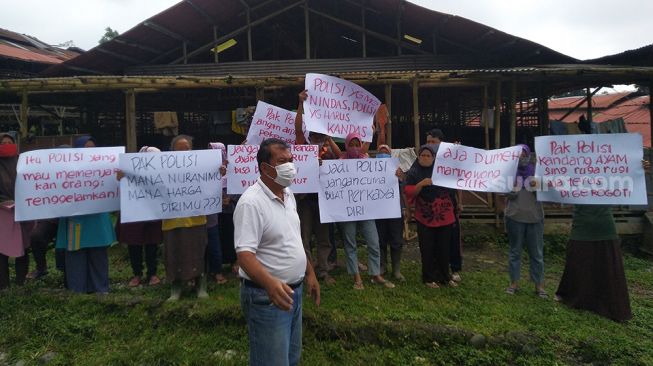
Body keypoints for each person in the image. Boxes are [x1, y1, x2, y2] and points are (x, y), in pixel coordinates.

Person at [234, 138, 320, 366]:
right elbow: (244, 256)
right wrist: (270, 284)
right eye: (282, 161)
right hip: (267, 298)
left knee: (291, 359)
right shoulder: (251, 203)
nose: (290, 166)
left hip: (294, 292)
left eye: (291, 160)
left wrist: (309, 273)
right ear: (264, 167)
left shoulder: (288, 193)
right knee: (271, 361)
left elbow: (294, 238)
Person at [554, 122, 640, 322]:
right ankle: (579, 298)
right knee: (581, 265)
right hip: (583, 227)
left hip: (602, 227)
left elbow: (629, 174)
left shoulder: (609, 176)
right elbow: (556, 188)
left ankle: (600, 302)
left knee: (602, 268)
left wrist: (639, 167)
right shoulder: (574, 177)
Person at [56, 136, 115, 294]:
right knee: (75, 256)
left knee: (98, 256)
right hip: (75, 220)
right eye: (86, 148)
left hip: (96, 219)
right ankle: (78, 292)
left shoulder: (105, 167)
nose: (90, 151)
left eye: (92, 148)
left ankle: (100, 290)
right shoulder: (66, 169)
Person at [337, 132, 394, 290]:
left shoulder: (367, 160)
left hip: (366, 209)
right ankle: (356, 277)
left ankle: (375, 274)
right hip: (347, 210)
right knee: (350, 243)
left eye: (357, 144)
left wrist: (393, 174)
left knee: (373, 242)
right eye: (351, 145)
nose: (355, 148)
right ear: (346, 146)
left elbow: (379, 178)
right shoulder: (340, 162)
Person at [294, 90, 340, 284]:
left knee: (324, 238)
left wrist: (329, 138)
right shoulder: (303, 145)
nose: (317, 135)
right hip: (305, 199)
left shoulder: (329, 147)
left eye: (320, 132)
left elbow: (340, 158)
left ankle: (323, 270)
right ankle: (307, 271)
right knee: (304, 238)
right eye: (315, 132)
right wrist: (301, 104)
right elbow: (297, 128)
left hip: (323, 201)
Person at [404, 145, 457, 289]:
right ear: (418, 157)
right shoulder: (413, 173)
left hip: (444, 216)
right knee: (427, 249)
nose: (425, 158)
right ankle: (428, 278)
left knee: (444, 249)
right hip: (425, 218)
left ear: (434, 158)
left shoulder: (443, 171)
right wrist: (421, 184)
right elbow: (409, 192)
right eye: (423, 155)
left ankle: (445, 277)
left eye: (428, 156)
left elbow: (456, 182)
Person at [163, 135, 208, 300]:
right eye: (178, 149)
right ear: (172, 151)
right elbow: (147, 181)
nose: (182, 153)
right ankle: (175, 287)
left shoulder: (201, 167)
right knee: (173, 252)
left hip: (196, 218)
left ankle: (200, 285)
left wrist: (218, 173)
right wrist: (127, 177)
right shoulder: (162, 169)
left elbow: (211, 182)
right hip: (171, 220)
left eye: (186, 149)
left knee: (197, 251)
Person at [116, 146, 163, 287]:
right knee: (134, 244)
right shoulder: (129, 172)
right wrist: (121, 179)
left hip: (153, 213)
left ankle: (152, 273)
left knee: (152, 244)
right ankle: (137, 273)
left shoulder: (162, 172)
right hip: (134, 213)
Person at [504, 144, 547, 298]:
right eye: (519, 155)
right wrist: (512, 190)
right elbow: (502, 191)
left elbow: (546, 194)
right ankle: (514, 283)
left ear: (529, 155)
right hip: (514, 216)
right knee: (515, 252)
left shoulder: (537, 172)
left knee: (537, 254)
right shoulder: (509, 172)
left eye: (524, 154)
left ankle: (539, 285)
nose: (522, 157)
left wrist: (538, 188)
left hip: (534, 217)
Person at [426, 128, 463, 282]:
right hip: (432, 205)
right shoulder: (425, 157)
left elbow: (459, 180)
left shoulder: (450, 159)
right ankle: (437, 267)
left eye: (433, 142)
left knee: (453, 238)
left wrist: (460, 202)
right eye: (428, 141)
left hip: (449, 203)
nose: (430, 144)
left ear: (441, 143)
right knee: (436, 239)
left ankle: (454, 268)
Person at [0, 133, 31, 289]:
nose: (6, 145)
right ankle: (3, 286)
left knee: (23, 247)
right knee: (2, 249)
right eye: (2, 143)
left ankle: (21, 282)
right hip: (2, 213)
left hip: (22, 211)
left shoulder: (23, 163)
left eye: (9, 142)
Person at [374, 144, 406, 281]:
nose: (383, 154)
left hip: (394, 210)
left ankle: (396, 270)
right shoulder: (370, 169)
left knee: (396, 240)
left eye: (386, 152)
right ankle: (382, 266)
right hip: (378, 210)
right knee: (380, 239)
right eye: (380, 152)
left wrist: (400, 177)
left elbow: (404, 187)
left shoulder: (397, 169)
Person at [206, 142, 227, 284]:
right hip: (203, 214)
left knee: (216, 242)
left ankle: (218, 270)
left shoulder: (229, 169)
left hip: (226, 213)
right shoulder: (202, 168)